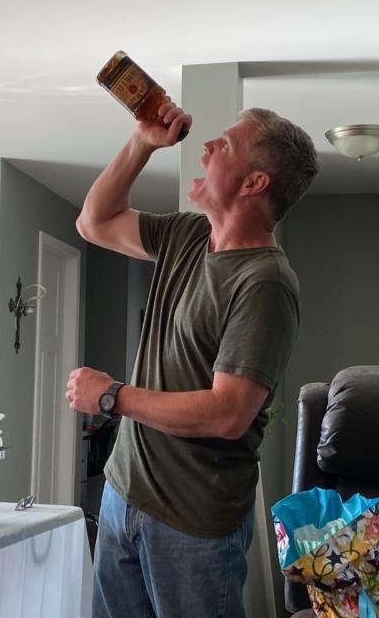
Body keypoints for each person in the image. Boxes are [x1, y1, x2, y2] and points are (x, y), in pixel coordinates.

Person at [66, 100, 318, 618]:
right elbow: (94, 222)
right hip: (123, 494)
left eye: (224, 145)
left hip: (192, 523)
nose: (205, 147)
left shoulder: (265, 282)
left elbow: (228, 414)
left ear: (254, 183)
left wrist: (112, 396)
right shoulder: (185, 235)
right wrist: (142, 143)